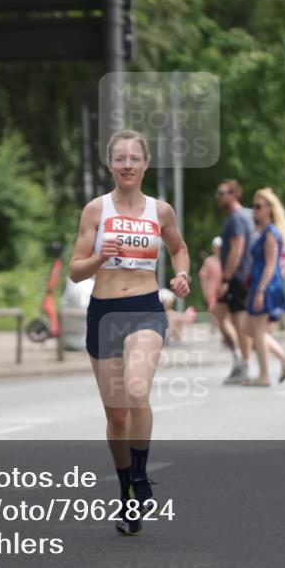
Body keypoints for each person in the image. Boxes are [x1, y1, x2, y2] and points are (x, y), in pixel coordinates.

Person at [69, 129, 191, 536]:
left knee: (137, 389)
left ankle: (141, 477)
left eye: (133, 158)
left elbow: (178, 247)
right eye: (119, 159)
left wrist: (183, 274)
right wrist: (99, 256)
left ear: (145, 164)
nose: (126, 165)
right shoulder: (95, 210)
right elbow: (75, 269)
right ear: (110, 165)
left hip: (144, 309)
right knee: (117, 415)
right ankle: (127, 497)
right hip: (104, 312)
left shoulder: (161, 211)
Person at [243, 189, 285, 386]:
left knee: (256, 329)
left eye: (258, 206)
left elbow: (271, 263)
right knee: (249, 327)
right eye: (253, 206)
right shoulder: (263, 232)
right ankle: (284, 358)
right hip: (260, 283)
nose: (254, 210)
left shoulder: (271, 233)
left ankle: (264, 375)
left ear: (269, 209)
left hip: (266, 284)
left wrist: (260, 290)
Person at [214, 180, 255, 384]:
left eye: (221, 193)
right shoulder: (243, 215)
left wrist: (226, 278)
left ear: (233, 195)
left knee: (240, 324)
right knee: (220, 314)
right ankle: (238, 357)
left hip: (237, 277)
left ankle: (245, 366)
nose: (218, 197)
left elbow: (237, 250)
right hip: (237, 276)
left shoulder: (238, 217)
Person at [198, 237, 223, 313]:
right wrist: (205, 292)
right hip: (212, 295)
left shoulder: (226, 261)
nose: (219, 249)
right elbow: (203, 278)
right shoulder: (209, 261)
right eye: (217, 247)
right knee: (214, 314)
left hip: (224, 293)